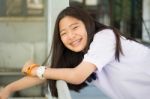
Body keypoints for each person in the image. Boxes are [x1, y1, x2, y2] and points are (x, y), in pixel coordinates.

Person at [0, 6, 150, 99]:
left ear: (87, 24)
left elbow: (76, 76)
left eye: (75, 27)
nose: (70, 36)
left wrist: (36, 69)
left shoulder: (105, 37)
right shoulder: (83, 56)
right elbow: (48, 74)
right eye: (63, 33)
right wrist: (9, 89)